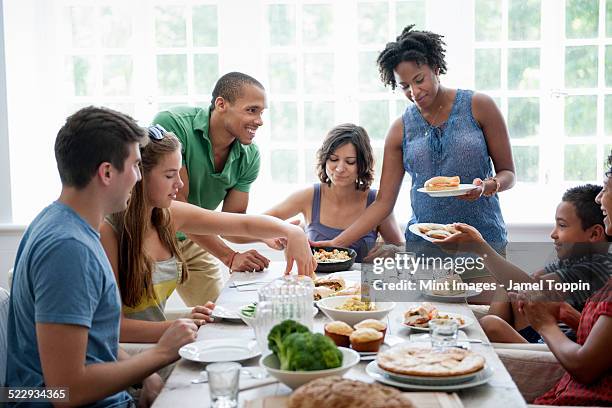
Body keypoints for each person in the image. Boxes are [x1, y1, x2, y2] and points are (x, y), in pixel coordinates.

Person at [6, 107, 198, 407]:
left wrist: (149, 374)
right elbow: (66, 392)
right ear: (107, 172)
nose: (138, 178)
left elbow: (97, 337)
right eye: (135, 166)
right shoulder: (68, 249)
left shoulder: (63, 222)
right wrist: (160, 354)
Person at [315, 25, 515, 278]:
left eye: (419, 80)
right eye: (404, 86)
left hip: (483, 243)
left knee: (483, 317)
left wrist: (488, 186)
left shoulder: (479, 106)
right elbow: (384, 203)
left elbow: (508, 173)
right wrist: (337, 243)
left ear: (436, 68)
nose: (414, 92)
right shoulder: (400, 129)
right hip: (425, 250)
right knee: (428, 317)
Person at [100, 127, 316, 343]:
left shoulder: (167, 214)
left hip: (159, 343)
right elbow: (115, 328)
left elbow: (243, 225)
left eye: (179, 172)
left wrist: (292, 231)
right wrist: (179, 325)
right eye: (169, 175)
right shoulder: (108, 231)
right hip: (127, 353)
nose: (180, 184)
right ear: (139, 176)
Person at [152, 72, 270, 306]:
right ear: (221, 104)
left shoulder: (249, 156)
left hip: (192, 240)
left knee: (220, 314)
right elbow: (176, 206)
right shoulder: (173, 124)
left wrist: (268, 235)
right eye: (251, 110)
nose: (259, 120)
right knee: (143, 317)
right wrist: (229, 256)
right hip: (151, 233)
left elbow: (230, 223)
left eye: (261, 112)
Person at [437, 185, 611, 343]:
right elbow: (532, 280)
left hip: (555, 344)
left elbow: (534, 288)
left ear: (594, 234)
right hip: (540, 333)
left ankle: (476, 342)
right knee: (506, 287)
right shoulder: (574, 260)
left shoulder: (599, 267)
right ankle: (480, 341)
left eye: (562, 226)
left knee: (491, 324)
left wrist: (481, 248)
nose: (553, 234)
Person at [508, 157, 612, 405]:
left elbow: (585, 366)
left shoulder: (597, 268)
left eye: (607, 188)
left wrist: (545, 324)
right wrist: (567, 314)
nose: (600, 198)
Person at [261, 123, 403, 262]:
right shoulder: (308, 196)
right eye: (333, 159)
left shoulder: (377, 202)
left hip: (362, 284)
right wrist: (271, 236)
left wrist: (392, 251)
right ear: (324, 159)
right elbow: (256, 223)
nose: (340, 168)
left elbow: (402, 249)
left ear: (363, 164)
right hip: (317, 283)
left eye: (350, 162)